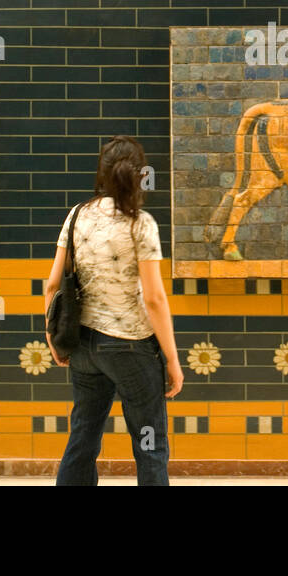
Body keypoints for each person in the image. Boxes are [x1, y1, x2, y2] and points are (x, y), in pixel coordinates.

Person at [46, 136, 183, 485]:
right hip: (131, 348)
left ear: (102, 172)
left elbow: (51, 285)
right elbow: (153, 298)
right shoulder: (141, 223)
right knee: (149, 444)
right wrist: (171, 358)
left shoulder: (77, 215)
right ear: (139, 175)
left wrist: (53, 339)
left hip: (83, 347)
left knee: (83, 438)